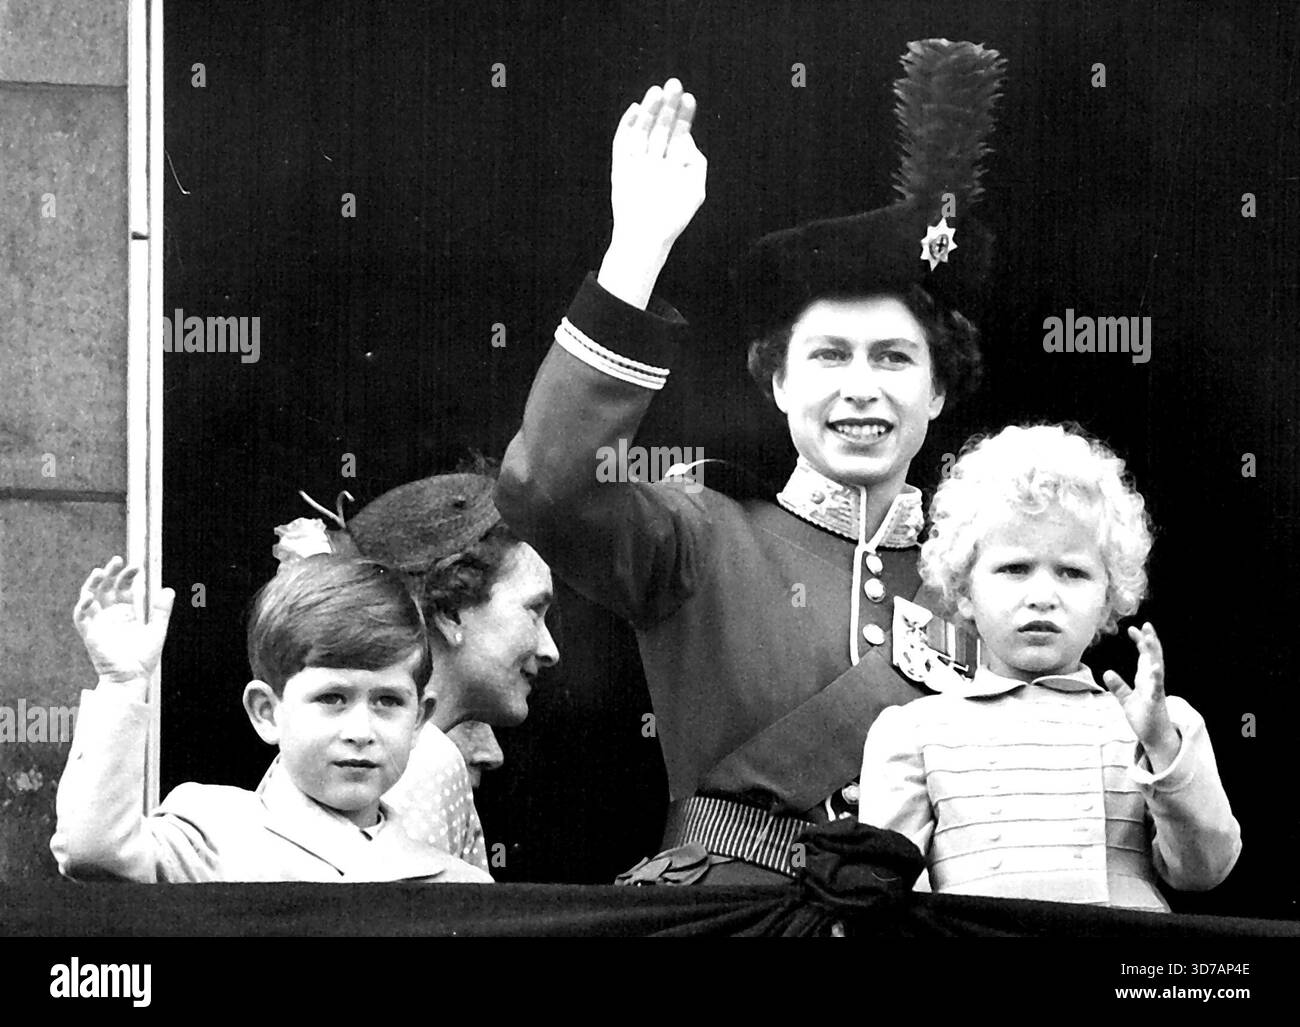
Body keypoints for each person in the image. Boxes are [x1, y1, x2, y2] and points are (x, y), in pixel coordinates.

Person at [497, 41, 1007, 885]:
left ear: (940, 390)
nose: (861, 389)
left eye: (893, 359)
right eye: (827, 357)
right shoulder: (700, 535)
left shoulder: (995, 579)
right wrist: (637, 250)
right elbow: (544, 487)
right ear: (776, 382)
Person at [857, 425, 1241, 910]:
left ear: (1109, 598)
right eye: (1014, 568)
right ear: (963, 590)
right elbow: (883, 901)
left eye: (1073, 572)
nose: (1042, 596)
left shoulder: (1161, 727)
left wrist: (1161, 746)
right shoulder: (912, 732)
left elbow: (1204, 871)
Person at [50, 555, 492, 884]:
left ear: (419, 722)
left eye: (388, 702)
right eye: (332, 698)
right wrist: (122, 684)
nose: (361, 732)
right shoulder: (214, 833)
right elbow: (95, 850)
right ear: (267, 712)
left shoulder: (453, 882)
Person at [271, 467, 556, 874]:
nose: (551, 651)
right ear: (450, 612)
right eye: (534, 611)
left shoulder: (343, 757)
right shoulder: (416, 761)